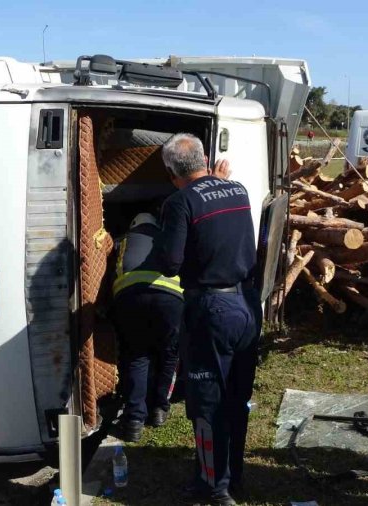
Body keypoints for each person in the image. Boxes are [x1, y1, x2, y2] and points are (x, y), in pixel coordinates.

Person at [150, 133, 260, 506]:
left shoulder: (179, 203)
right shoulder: (238, 190)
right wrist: (217, 180)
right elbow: (216, 199)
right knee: (237, 398)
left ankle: (213, 488)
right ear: (206, 159)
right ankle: (235, 478)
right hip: (246, 305)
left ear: (170, 171)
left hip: (211, 311)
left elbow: (170, 262)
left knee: (207, 402)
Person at [112, 212, 184, 442]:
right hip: (169, 300)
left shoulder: (122, 241)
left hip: (130, 298)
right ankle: (159, 409)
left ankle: (134, 420)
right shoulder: (171, 236)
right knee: (169, 355)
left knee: (136, 356)